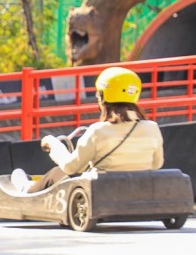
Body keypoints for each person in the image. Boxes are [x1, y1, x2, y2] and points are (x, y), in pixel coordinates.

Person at [11, 66, 164, 193]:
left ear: (103, 96)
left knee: (59, 173)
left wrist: (54, 145)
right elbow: (156, 164)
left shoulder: (98, 131)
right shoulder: (152, 128)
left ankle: (27, 188)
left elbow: (71, 167)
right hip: (140, 189)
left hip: (102, 190)